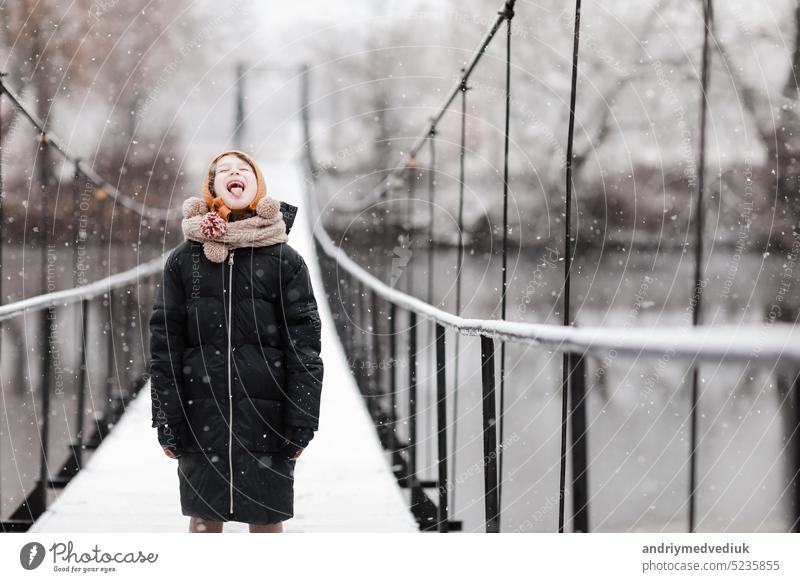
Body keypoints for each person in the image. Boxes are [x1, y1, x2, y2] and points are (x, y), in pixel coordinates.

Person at [149, 149, 323, 533]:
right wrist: (165, 417)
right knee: (204, 521)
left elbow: (305, 347)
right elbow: (165, 345)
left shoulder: (285, 261)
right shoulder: (185, 261)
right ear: (212, 190)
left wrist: (303, 419)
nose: (234, 173)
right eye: (223, 171)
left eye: (243, 170)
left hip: (268, 419)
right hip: (200, 417)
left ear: (258, 186)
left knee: (266, 521)